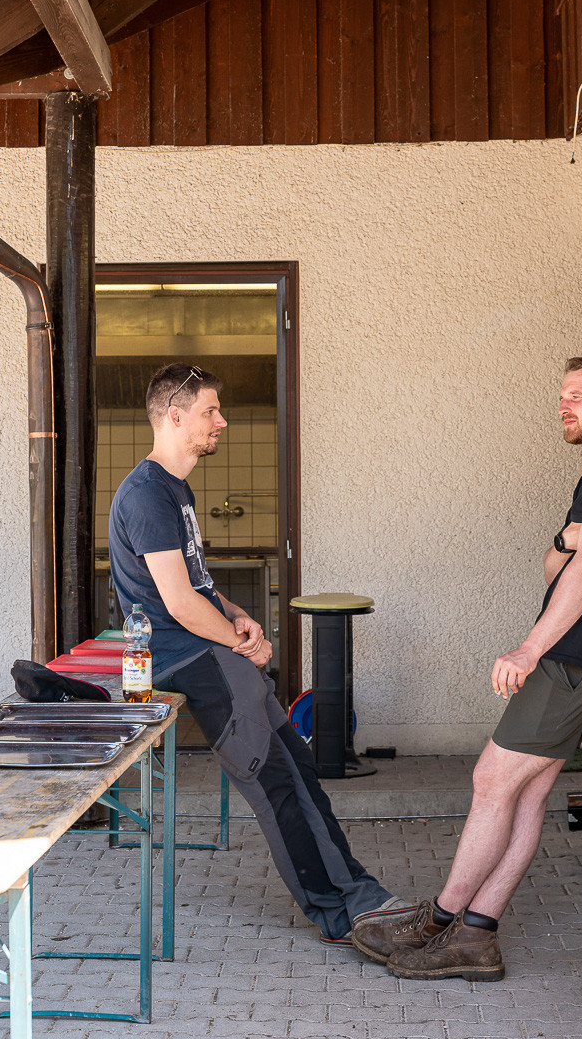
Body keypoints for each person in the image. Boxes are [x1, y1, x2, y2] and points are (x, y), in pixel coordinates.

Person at [352, 352, 582, 981]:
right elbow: (556, 565)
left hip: (579, 654)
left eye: (577, 394)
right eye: (562, 395)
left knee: (493, 780)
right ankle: (476, 934)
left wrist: (529, 648)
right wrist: (566, 538)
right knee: (524, 794)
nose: (564, 405)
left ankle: (441, 919)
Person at [108, 362, 411, 945]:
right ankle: (341, 913)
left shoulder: (174, 488)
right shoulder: (146, 493)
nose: (221, 421)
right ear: (174, 416)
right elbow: (177, 604)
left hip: (211, 653)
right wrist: (241, 641)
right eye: (210, 411)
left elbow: (195, 584)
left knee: (299, 772)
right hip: (193, 661)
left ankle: (360, 895)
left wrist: (236, 614)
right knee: (278, 787)